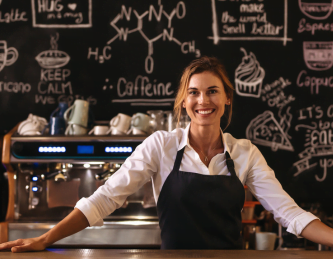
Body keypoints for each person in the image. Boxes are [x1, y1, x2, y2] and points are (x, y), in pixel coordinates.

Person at [1, 56, 333, 252]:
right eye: (194, 93)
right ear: (184, 102)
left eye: (212, 91)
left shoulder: (244, 153)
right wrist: (45, 239)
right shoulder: (161, 145)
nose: (203, 101)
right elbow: (105, 198)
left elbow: (290, 215)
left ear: (227, 98)